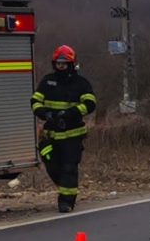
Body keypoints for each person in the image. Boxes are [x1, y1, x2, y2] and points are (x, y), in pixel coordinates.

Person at [32, 45, 100, 213]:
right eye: (58, 63)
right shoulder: (48, 81)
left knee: (69, 168)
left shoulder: (81, 83)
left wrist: (70, 113)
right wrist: (45, 114)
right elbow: (35, 101)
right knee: (52, 166)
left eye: (64, 63)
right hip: (50, 134)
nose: (60, 66)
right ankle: (64, 187)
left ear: (71, 64)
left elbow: (90, 104)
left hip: (72, 134)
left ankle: (66, 202)